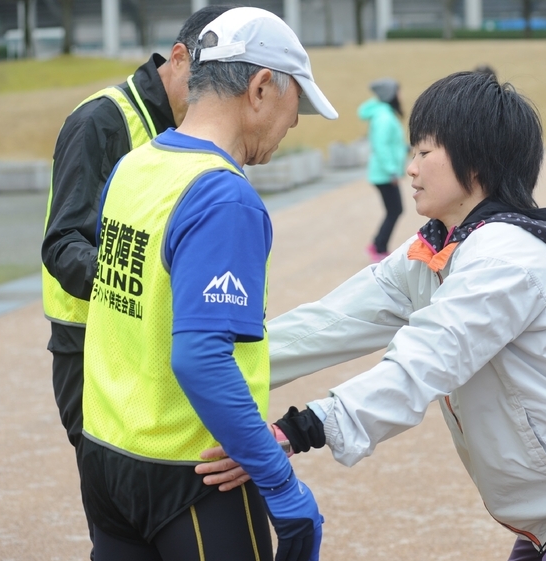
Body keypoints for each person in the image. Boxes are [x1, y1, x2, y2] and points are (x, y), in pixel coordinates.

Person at [199, 71, 546, 560]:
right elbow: (329, 323)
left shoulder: (504, 258)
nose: (411, 169)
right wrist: (210, 362)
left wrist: (299, 429)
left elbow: (426, 360)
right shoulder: (434, 248)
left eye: (425, 152)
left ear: (476, 162)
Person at [80, 7, 336, 560]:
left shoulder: (135, 165)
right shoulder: (223, 196)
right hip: (193, 475)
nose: (293, 125)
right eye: (297, 106)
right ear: (262, 87)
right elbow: (200, 358)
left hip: (108, 456)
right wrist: (282, 486)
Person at [39, 5, 233, 554]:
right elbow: (62, 246)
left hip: (143, 344)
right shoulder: (100, 120)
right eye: (209, 77)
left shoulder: (184, 129)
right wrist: (146, 285)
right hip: (88, 353)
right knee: (120, 523)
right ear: (178, 58)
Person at [359, 78, 408, 263]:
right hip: (385, 174)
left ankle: (377, 245)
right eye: (397, 91)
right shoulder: (385, 117)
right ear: (390, 95)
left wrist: (406, 149)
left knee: (393, 210)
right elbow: (381, 147)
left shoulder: (384, 114)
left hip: (384, 172)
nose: (400, 95)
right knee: (395, 210)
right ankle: (378, 248)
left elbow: (391, 144)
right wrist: (392, 171)